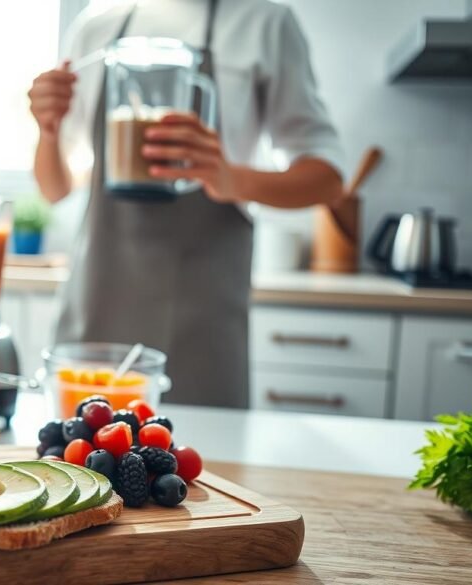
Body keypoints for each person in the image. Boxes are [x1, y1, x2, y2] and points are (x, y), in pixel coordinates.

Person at [29, 0, 345, 408]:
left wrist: (232, 178)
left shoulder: (265, 23)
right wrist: (48, 129)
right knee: (82, 457)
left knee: (203, 466)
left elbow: (328, 179)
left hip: (205, 320)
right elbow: (55, 188)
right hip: (99, 304)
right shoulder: (98, 27)